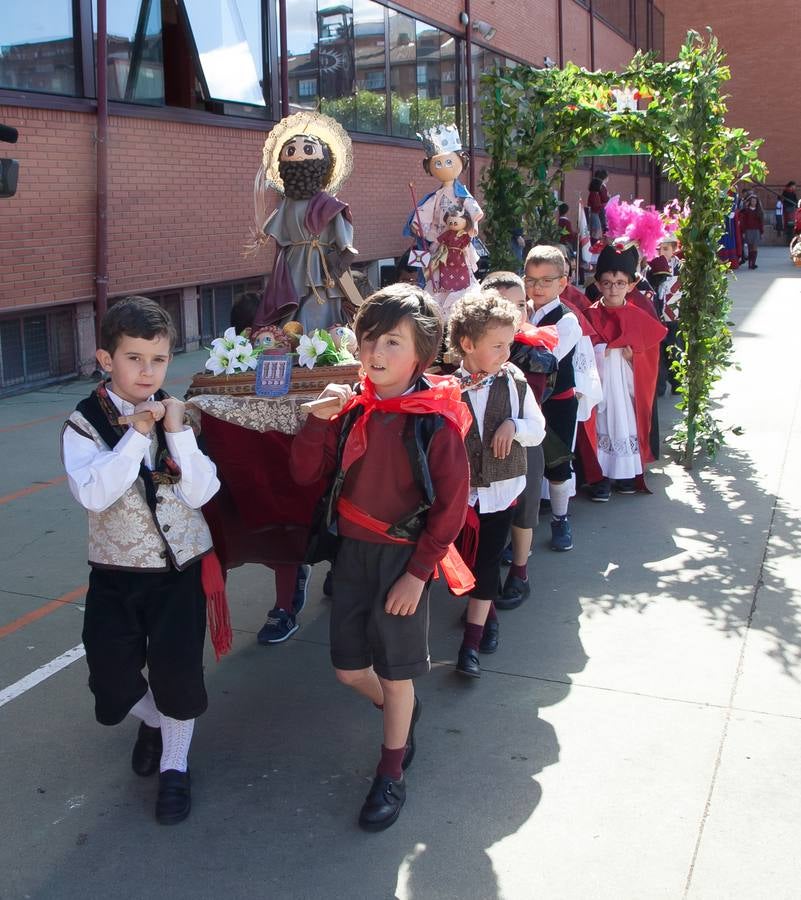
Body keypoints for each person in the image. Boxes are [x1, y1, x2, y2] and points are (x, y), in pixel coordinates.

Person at [290, 284, 472, 832]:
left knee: (395, 674)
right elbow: (304, 474)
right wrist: (317, 420)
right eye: (369, 338)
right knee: (349, 670)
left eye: (393, 341)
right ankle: (402, 710)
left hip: (403, 560)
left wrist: (418, 575)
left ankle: (391, 772)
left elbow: (451, 508)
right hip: (352, 556)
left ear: (422, 353)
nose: (376, 351)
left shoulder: (434, 420)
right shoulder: (350, 408)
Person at [61, 296, 221, 825]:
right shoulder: (83, 423)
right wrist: (136, 435)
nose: (148, 372)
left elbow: (201, 493)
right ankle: (153, 721)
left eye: (158, 359)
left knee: (177, 671)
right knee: (110, 676)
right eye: (134, 358)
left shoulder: (178, 413)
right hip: (117, 572)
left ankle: (175, 765)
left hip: (179, 572)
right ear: (106, 359)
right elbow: (95, 494)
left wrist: (177, 433)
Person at [447, 289, 545, 676]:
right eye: (497, 345)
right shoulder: (448, 388)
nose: (506, 353)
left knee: (487, 563)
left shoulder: (514, 381)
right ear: (468, 344)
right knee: (468, 562)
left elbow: (537, 429)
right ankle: (487, 617)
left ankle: (469, 646)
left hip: (501, 492)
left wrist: (513, 425)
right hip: (463, 494)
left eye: (509, 344)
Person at [479, 271, 557, 609]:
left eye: (521, 305)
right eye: (503, 304)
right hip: (481, 445)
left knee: (525, 508)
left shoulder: (534, 350)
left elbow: (542, 398)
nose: (515, 312)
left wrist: (515, 423)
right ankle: (484, 584)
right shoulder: (478, 347)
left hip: (525, 438)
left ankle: (520, 573)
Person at [251, 112, 359, 332]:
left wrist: (344, 252)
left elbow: (342, 236)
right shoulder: (287, 204)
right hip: (293, 264)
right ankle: (291, 340)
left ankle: (319, 342)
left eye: (308, 149)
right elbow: (276, 227)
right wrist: (263, 236)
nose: (299, 153)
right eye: (291, 150)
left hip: (322, 264)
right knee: (291, 304)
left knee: (318, 305)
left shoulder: (330, 204)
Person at [584, 247, 667, 492]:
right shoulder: (587, 316)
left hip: (624, 384)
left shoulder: (638, 316)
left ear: (631, 286)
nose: (613, 289)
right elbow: (582, 350)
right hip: (600, 382)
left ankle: (626, 473)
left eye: (620, 283)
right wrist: (600, 351)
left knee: (625, 422)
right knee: (599, 424)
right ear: (598, 285)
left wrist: (634, 358)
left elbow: (650, 356)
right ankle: (600, 475)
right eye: (607, 283)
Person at [524, 245, 582, 551]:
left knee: (557, 465)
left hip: (556, 402)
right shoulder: (521, 310)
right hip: (524, 400)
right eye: (531, 280)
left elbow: (545, 360)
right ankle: (522, 528)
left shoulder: (567, 320)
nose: (537, 287)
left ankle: (561, 519)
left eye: (546, 280)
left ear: (562, 282)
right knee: (523, 466)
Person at [405, 124, 484, 315]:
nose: (443, 167)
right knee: (436, 274)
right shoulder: (436, 196)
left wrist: (468, 225)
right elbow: (423, 213)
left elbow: (473, 210)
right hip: (440, 241)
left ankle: (458, 306)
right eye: (438, 164)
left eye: (449, 162)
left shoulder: (462, 194)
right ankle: (438, 308)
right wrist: (418, 225)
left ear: (460, 161)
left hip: (459, 242)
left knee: (463, 277)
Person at [739, 194, 764, 269]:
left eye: (755, 201)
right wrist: (743, 232)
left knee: (755, 247)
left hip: (756, 231)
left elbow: (761, 223)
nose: (754, 202)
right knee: (750, 247)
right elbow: (743, 222)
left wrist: (762, 232)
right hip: (748, 230)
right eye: (752, 201)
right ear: (750, 202)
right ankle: (750, 264)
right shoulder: (746, 211)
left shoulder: (759, 211)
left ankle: (753, 263)